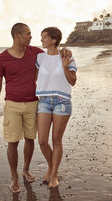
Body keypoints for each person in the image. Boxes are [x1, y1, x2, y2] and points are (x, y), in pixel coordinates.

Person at [0, 23, 71, 193]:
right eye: (28, 34)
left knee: (31, 140)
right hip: (12, 104)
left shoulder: (35, 52)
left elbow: (53, 52)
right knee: (12, 142)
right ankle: (14, 178)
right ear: (17, 35)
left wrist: (66, 51)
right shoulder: (1, 58)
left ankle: (26, 170)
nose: (31, 37)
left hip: (34, 103)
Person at [35, 27, 77, 188]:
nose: (42, 40)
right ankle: (52, 166)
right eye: (41, 37)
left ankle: (54, 175)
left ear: (54, 40)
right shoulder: (39, 57)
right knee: (43, 141)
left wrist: (65, 66)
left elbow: (72, 81)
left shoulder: (66, 55)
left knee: (56, 140)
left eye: (44, 37)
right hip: (44, 100)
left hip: (62, 101)